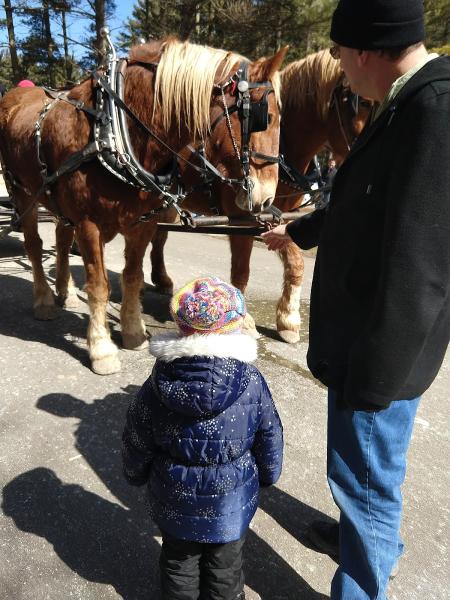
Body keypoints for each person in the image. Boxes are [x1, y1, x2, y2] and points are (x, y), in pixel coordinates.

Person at [261, 1, 450, 599]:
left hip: (379, 354)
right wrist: (299, 231)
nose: (340, 70)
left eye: (342, 56)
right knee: (362, 476)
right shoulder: (404, 99)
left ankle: (361, 587)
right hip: (366, 341)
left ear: (367, 51)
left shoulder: (434, 110)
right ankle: (361, 539)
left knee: (366, 480)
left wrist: (374, 380)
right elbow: (365, 202)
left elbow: (422, 266)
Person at [122, 276, 283, 600]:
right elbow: (270, 433)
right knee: (225, 568)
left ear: (181, 326)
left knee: (179, 564)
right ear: (236, 324)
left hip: (174, 497)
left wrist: (135, 472)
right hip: (231, 501)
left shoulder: (158, 382)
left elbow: (137, 435)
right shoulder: (250, 381)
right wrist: (269, 473)